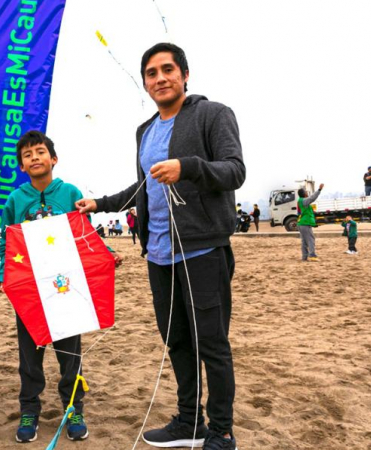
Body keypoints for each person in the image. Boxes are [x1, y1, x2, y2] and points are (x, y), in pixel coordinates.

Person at [76, 43, 245, 449]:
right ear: (145, 83)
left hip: (203, 251)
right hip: (158, 256)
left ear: (185, 75)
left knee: (212, 345)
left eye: (168, 69)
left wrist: (188, 167)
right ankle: (190, 422)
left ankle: (222, 430)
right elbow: (143, 187)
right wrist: (100, 204)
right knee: (178, 342)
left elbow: (234, 170)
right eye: (151, 73)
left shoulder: (212, 114)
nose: (160, 78)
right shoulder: (145, 131)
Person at [0, 130, 121, 443]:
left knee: (69, 354)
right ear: (21, 165)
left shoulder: (69, 192)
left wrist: (106, 253)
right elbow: (5, 240)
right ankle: (29, 410)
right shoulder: (15, 199)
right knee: (29, 355)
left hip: (66, 288)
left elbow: (85, 232)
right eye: (27, 155)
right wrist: (3, 272)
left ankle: (73, 408)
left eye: (40, 152)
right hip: (31, 288)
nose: (34, 157)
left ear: (53, 159)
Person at [297, 184, 324, 262]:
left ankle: (304, 257)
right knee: (311, 239)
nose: (307, 193)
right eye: (306, 192)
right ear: (304, 194)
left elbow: (306, 212)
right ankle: (312, 256)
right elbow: (312, 198)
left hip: (301, 223)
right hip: (305, 223)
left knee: (304, 241)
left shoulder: (300, 201)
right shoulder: (304, 201)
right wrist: (319, 190)